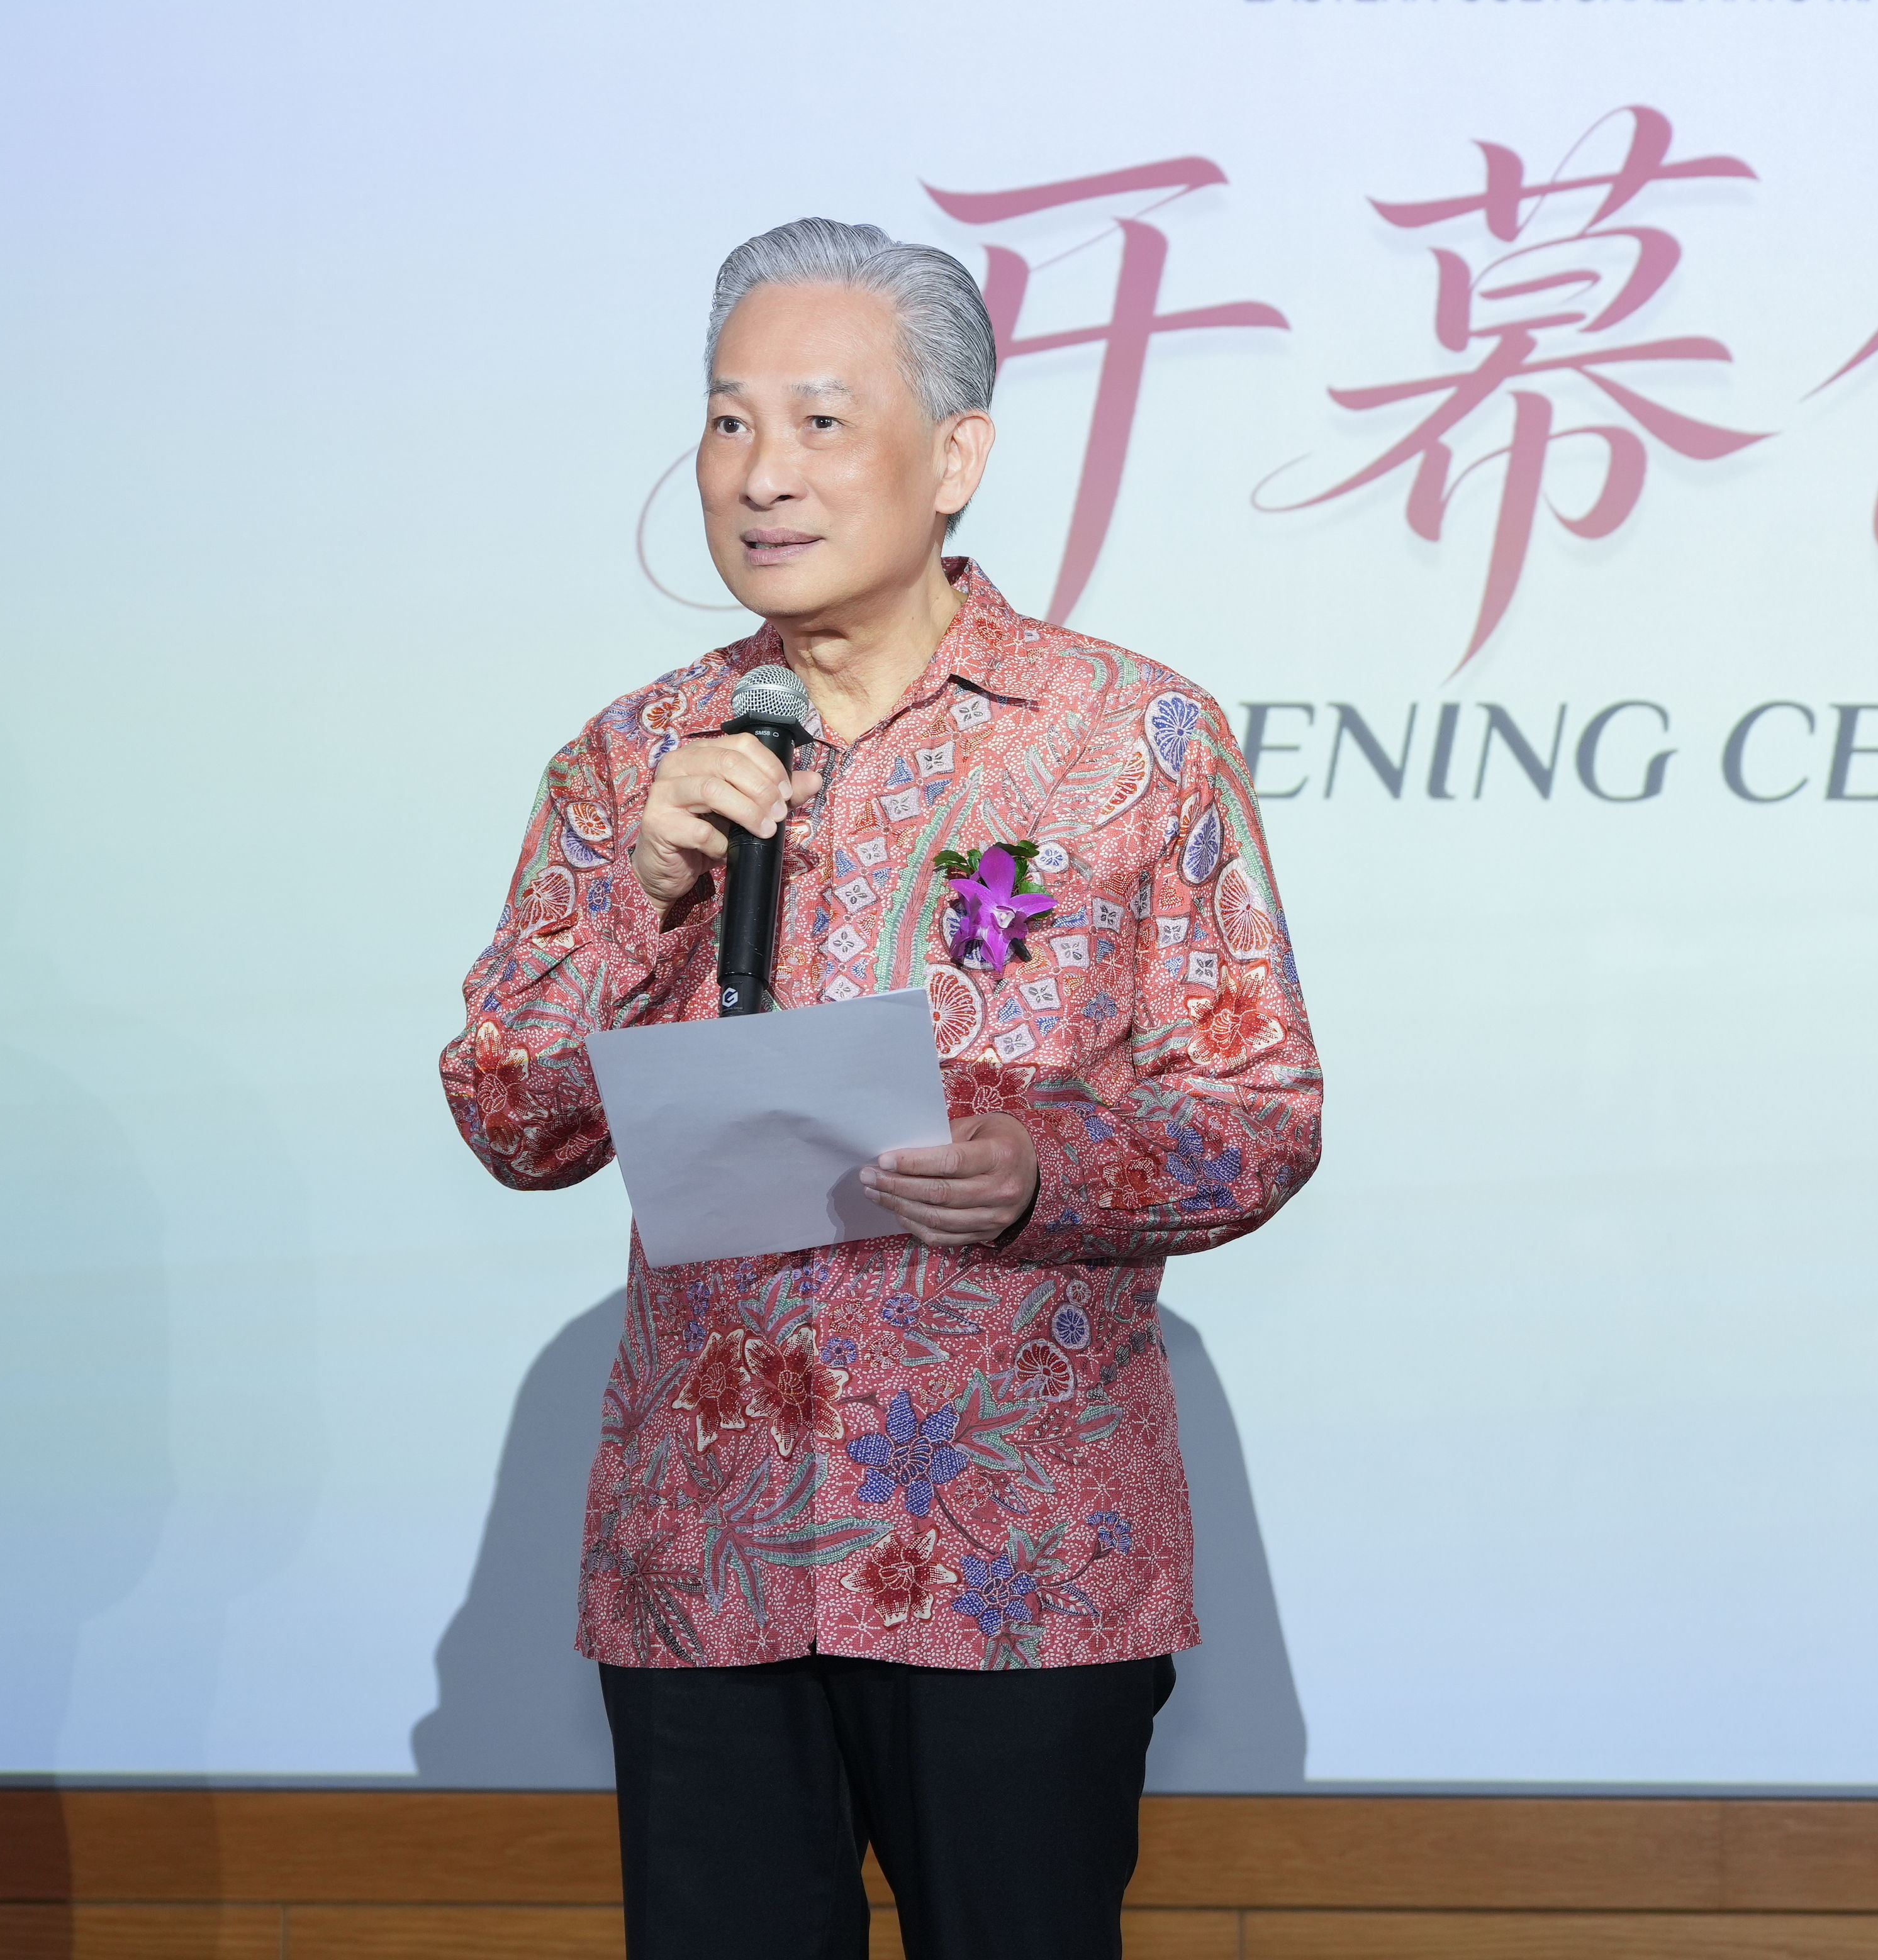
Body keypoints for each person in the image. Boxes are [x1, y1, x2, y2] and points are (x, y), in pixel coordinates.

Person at [439, 218, 1322, 1959]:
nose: (760, 473)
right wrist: (644, 897)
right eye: (727, 422)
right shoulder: (630, 762)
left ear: (957, 457)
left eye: (822, 422)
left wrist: (1043, 1172)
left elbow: (1260, 1106)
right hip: (709, 1557)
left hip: (1019, 1560)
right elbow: (511, 1121)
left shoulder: (1128, 737)